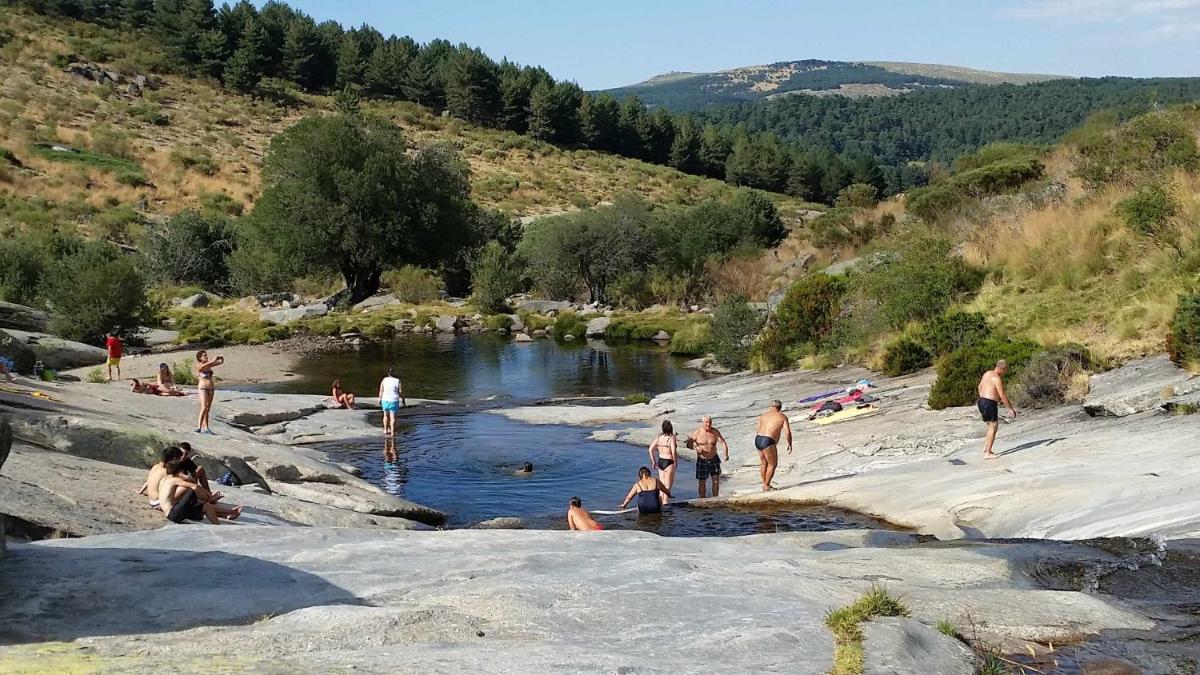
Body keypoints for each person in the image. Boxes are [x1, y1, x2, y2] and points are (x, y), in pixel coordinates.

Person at [157, 456, 241, 524]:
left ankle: (224, 518)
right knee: (191, 489)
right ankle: (210, 499)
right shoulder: (174, 480)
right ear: (178, 471)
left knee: (206, 506)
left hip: (174, 513)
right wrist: (209, 497)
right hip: (174, 513)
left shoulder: (164, 479)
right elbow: (194, 487)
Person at [978, 359, 1017, 459]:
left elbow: (980, 386)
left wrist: (983, 397)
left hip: (981, 401)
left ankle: (986, 446)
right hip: (989, 402)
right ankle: (988, 452)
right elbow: (1002, 395)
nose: (1005, 372)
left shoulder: (987, 374)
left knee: (989, 424)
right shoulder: (996, 378)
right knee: (993, 426)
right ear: (1002, 368)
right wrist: (1010, 409)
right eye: (1006, 370)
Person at [754, 400, 794, 492]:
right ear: (780, 408)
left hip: (758, 439)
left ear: (771, 406)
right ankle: (766, 486)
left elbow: (757, 429)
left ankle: (765, 484)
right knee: (772, 465)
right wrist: (790, 443)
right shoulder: (782, 417)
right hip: (768, 441)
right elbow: (787, 432)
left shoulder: (763, 415)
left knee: (764, 463)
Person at [687, 416, 729, 498]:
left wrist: (726, 454)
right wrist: (695, 447)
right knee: (702, 482)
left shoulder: (715, 432)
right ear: (702, 423)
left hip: (714, 458)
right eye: (706, 422)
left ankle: (715, 499)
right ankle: (702, 500)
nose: (708, 424)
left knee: (716, 481)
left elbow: (723, 442)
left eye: (710, 422)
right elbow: (688, 444)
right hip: (702, 460)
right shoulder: (697, 433)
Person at [137, 446, 185, 510]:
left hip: (152, 502)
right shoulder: (166, 471)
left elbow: (149, 481)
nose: (180, 461)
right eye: (179, 459)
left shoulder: (155, 467)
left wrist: (140, 491)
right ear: (174, 459)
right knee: (184, 487)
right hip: (159, 503)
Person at [648, 421, 678, 505]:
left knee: (662, 484)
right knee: (668, 485)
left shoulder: (659, 438)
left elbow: (650, 449)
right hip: (669, 461)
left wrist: (653, 461)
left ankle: (660, 502)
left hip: (660, 461)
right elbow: (673, 451)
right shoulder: (672, 438)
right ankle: (665, 503)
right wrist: (675, 461)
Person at [194, 350, 224, 434]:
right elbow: (201, 368)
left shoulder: (209, 365)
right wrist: (212, 360)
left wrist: (221, 358)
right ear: (200, 358)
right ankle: (199, 427)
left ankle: (206, 427)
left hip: (211, 388)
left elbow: (220, 362)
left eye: (206, 355)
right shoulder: (199, 365)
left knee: (208, 409)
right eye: (204, 356)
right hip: (203, 388)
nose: (206, 357)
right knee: (203, 407)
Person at [378, 368, 405, 436]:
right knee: (393, 417)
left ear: (388, 373)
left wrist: (380, 399)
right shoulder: (398, 381)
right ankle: (392, 432)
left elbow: (381, 390)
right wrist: (403, 400)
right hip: (394, 400)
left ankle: (385, 430)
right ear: (395, 373)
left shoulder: (384, 379)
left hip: (385, 399)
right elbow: (401, 392)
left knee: (385, 415)